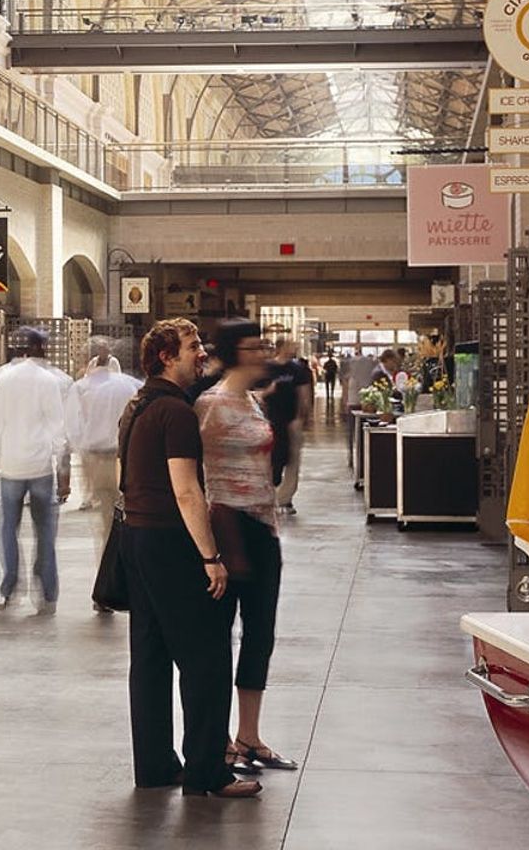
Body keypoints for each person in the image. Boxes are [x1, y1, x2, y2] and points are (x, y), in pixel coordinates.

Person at [118, 317, 261, 800]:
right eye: (192, 345)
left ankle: (156, 764)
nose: (201, 352)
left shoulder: (138, 405)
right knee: (207, 658)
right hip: (172, 544)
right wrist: (210, 556)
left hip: (136, 541)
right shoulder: (177, 413)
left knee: (152, 657)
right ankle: (207, 773)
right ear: (166, 356)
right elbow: (185, 490)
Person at [195, 321, 298, 776]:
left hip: (263, 527)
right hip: (226, 526)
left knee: (261, 633)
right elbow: (191, 471)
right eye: (255, 347)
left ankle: (249, 736)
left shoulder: (255, 401)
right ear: (234, 352)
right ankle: (218, 741)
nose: (264, 354)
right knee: (217, 635)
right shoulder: (209, 405)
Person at [0, 327, 67, 614]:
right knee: (45, 531)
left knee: (8, 529)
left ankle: (9, 587)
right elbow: (57, 425)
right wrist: (60, 456)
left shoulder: (3, 379)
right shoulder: (47, 380)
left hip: (12, 466)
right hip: (40, 465)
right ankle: (48, 591)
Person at [63, 339, 140, 601]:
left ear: (88, 360)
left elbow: (73, 427)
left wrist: (80, 452)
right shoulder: (131, 385)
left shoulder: (81, 388)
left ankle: (109, 587)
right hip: (129, 458)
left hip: (98, 460)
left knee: (108, 525)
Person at [263, 339, 313, 516]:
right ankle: (268, 496)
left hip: (291, 420)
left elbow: (304, 393)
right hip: (269, 420)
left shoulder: (297, 369)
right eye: (292, 345)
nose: (295, 348)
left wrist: (302, 416)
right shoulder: (267, 368)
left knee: (292, 459)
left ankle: (285, 499)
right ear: (281, 347)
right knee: (269, 459)